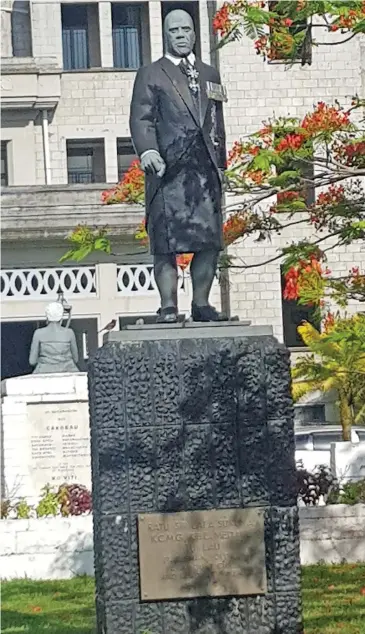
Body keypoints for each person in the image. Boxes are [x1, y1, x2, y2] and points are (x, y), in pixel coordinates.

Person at [130, 9, 227, 323]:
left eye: (186, 29)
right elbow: (141, 117)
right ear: (166, 35)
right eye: (175, 31)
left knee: (209, 241)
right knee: (165, 243)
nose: (181, 35)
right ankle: (168, 305)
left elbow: (216, 122)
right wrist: (147, 151)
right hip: (167, 171)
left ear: (194, 33)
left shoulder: (210, 73)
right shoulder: (151, 73)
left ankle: (201, 304)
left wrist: (221, 166)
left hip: (204, 173)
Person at [29, 302, 79, 374]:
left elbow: (32, 361)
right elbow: (76, 359)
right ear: (61, 317)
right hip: (67, 371)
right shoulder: (69, 333)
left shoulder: (38, 333)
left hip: (44, 372)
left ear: (47, 316)